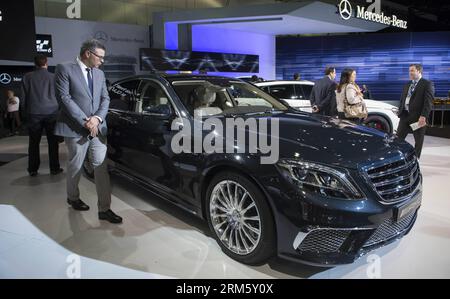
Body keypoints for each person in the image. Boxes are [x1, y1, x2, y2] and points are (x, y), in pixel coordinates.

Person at [54, 39, 122, 224]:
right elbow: (64, 99)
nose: (102, 61)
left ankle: (104, 209)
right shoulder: (64, 68)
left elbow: (105, 99)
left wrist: (97, 119)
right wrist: (85, 122)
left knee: (101, 168)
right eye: (100, 57)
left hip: (98, 128)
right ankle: (73, 197)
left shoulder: (99, 74)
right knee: (75, 166)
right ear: (88, 54)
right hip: (75, 128)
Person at [22, 54, 63, 177]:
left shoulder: (27, 77)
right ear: (46, 62)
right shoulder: (54, 77)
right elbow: (60, 97)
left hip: (34, 113)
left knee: (34, 143)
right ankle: (54, 168)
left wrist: (25, 113)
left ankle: (33, 169)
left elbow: (24, 98)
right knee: (53, 142)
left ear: (35, 64)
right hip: (52, 113)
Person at [396, 64, 434, 158]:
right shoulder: (408, 84)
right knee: (398, 139)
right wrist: (400, 109)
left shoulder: (427, 84)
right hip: (405, 116)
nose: (410, 73)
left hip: (418, 118)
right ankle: (397, 158)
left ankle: (416, 159)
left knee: (418, 141)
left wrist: (423, 116)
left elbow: (428, 102)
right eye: (409, 71)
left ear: (419, 71)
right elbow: (403, 99)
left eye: (412, 71)